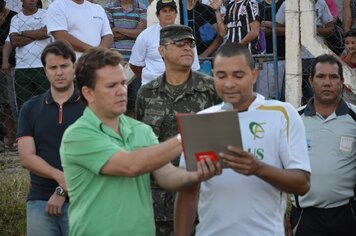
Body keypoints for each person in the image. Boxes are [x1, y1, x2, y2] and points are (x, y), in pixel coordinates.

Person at [59, 48, 221, 236]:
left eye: (123, 83)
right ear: (88, 93)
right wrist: (188, 135)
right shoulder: (77, 135)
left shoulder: (141, 130)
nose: (122, 91)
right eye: (111, 86)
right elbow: (131, 165)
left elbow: (166, 175)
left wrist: (195, 176)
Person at [174, 43, 311, 236]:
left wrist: (258, 168)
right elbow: (187, 192)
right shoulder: (202, 120)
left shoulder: (282, 114)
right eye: (221, 76)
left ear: (254, 75)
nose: (229, 83)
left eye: (238, 75)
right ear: (213, 75)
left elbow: (302, 183)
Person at [136, 24, 221, 236]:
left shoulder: (211, 89)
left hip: (201, 200)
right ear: (162, 51)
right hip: (158, 205)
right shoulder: (147, 94)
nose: (187, 48)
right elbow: (143, 145)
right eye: (179, 44)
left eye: (190, 44)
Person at [17, 40, 84, 236]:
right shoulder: (30, 108)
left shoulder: (90, 106)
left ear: (74, 67)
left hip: (83, 198)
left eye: (64, 66)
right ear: (45, 71)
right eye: (52, 67)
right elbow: (26, 157)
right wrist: (60, 179)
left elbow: (96, 158)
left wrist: (63, 191)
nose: (59, 72)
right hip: (40, 199)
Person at [290, 54, 356, 235]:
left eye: (333, 77)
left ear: (342, 81)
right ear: (311, 80)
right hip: (305, 216)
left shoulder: (354, 118)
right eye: (320, 76)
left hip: (347, 213)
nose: (327, 83)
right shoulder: (294, 120)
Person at [276, 0, 335, 104]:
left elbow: (330, 28)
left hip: (315, 56)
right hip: (294, 56)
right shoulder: (289, 3)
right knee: (289, 97)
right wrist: (297, 30)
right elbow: (276, 27)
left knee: (313, 97)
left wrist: (312, 30)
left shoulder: (321, 3)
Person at [129, 0, 200, 86]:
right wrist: (149, 80)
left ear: (176, 13)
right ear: (157, 15)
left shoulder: (187, 36)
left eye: (171, 10)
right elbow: (135, 64)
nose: (168, 14)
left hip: (181, 88)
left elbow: (194, 67)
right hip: (153, 88)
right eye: (164, 11)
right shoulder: (145, 35)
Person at [105, 0, 147, 117]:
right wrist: (133, 32)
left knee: (134, 102)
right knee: (114, 101)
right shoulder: (109, 7)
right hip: (114, 62)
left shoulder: (142, 7)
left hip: (135, 62)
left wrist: (118, 29)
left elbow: (141, 33)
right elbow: (109, 33)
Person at [9, 0, 51, 109]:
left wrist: (22, 33)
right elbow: (14, 41)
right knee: (24, 107)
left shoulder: (46, 14)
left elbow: (46, 33)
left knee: (47, 105)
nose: (32, 0)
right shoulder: (16, 18)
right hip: (22, 68)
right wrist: (37, 33)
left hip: (44, 66)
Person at [47, 0, 113, 59]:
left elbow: (108, 35)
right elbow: (61, 36)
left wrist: (99, 53)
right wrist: (95, 52)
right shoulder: (57, 6)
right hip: (71, 66)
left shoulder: (98, 8)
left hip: (97, 63)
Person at [0, 0, 17, 150]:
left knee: (10, 103)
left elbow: (14, 42)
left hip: (10, 66)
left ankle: (13, 139)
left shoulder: (14, 18)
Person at [341, 29, 356, 104]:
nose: (350, 46)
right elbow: (344, 66)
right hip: (349, 94)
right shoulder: (344, 58)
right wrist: (350, 54)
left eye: (353, 43)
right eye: (347, 43)